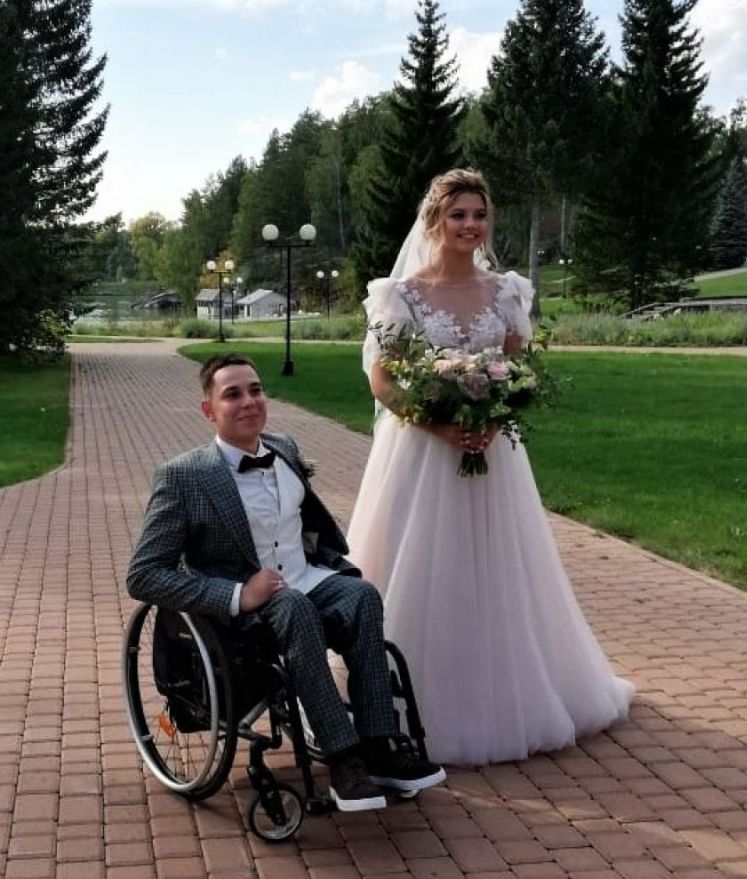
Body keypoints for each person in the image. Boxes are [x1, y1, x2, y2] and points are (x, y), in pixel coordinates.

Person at [347, 169, 635, 766]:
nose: (470, 225)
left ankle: (513, 686)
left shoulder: (506, 291)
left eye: (479, 215)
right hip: (423, 452)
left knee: (500, 565)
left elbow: (518, 369)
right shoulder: (401, 295)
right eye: (458, 215)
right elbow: (382, 380)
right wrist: (438, 425)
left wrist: (494, 419)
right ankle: (408, 697)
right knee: (426, 562)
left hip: (493, 452)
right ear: (435, 220)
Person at [127, 352, 445, 811]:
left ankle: (379, 745)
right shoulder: (184, 477)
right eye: (232, 394)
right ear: (209, 410)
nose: (248, 401)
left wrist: (326, 556)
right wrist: (238, 594)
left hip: (304, 579)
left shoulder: (285, 449)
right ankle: (343, 759)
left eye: (255, 390)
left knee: (361, 595)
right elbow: (144, 574)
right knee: (294, 609)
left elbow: (303, 520)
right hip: (248, 605)